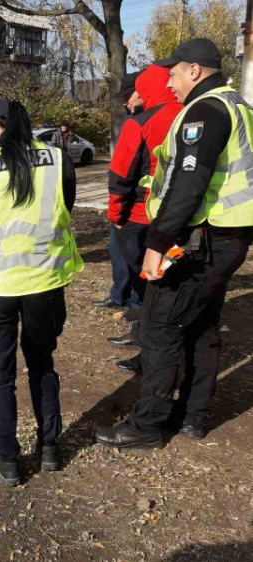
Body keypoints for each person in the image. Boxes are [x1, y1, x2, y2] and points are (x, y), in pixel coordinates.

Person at [96, 38, 253, 449]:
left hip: (201, 241)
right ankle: (193, 416)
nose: (169, 80)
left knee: (159, 329)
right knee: (202, 328)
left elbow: (188, 183)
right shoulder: (239, 106)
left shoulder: (205, 110)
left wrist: (158, 241)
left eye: (174, 71)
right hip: (227, 239)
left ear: (195, 71)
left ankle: (147, 425)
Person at [0, 100, 82, 485]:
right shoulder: (58, 159)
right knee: (43, 364)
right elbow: (67, 205)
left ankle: (8, 459)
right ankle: (48, 450)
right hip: (43, 282)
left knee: (0, 376)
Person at [105, 65, 183, 374]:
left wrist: (116, 217)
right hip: (179, 219)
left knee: (149, 283)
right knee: (169, 282)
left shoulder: (142, 122)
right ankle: (153, 333)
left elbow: (120, 175)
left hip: (140, 217)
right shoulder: (192, 113)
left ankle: (148, 342)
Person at [93, 71, 144, 311]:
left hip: (141, 200)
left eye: (129, 95)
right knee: (117, 247)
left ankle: (138, 303)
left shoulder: (149, 118)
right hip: (123, 196)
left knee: (136, 253)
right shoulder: (129, 116)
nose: (126, 101)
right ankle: (119, 294)